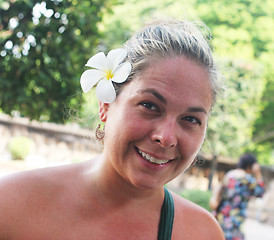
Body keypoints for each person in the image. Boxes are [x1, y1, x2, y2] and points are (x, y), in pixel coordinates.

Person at [0, 18, 225, 239]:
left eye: (190, 119)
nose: (166, 138)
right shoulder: (11, 205)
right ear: (106, 105)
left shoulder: (201, 233)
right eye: (149, 105)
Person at [209, 153, 265, 240]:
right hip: (235, 221)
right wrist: (258, 173)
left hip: (221, 216)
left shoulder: (230, 175)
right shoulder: (247, 179)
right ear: (250, 165)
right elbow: (261, 192)